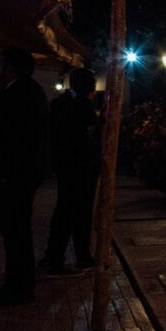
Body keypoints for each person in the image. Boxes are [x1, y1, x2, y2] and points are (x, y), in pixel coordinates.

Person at [0, 48, 50, 304]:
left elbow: (16, 139)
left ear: (11, 68)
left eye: (1, 65)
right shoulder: (27, 92)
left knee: (15, 232)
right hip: (17, 176)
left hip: (13, 178)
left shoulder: (21, 95)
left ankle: (18, 286)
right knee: (16, 232)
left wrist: (5, 174)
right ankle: (19, 283)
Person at [44, 67, 100, 274]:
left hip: (67, 167)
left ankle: (55, 255)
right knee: (78, 212)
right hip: (79, 167)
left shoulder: (61, 103)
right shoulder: (81, 106)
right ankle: (78, 255)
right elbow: (88, 137)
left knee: (65, 211)